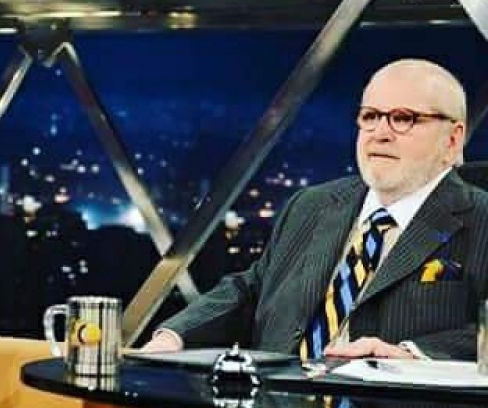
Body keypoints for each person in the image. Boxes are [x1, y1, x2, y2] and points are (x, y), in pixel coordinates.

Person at [143, 58, 487, 361]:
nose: (380, 133)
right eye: (370, 116)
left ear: (452, 140)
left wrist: (412, 354)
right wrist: (173, 336)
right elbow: (251, 288)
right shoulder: (311, 205)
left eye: (403, 118)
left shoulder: (481, 218)